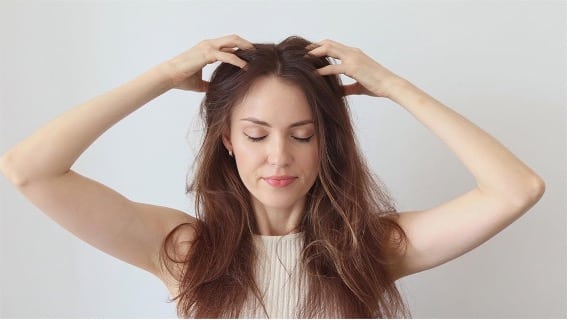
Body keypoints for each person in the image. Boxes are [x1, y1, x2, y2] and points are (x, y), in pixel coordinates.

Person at [0, 35, 545, 318]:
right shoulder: (186, 250)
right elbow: (29, 170)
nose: (279, 157)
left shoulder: (368, 248)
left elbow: (516, 189)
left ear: (327, 142)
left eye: (302, 134)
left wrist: (393, 86)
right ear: (228, 141)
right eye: (257, 135)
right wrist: (164, 76)